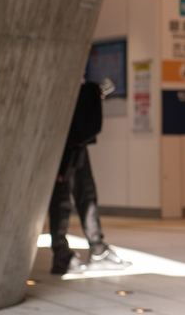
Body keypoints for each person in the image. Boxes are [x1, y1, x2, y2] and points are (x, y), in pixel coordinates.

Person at [49, 80, 131, 274]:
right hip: (62, 135)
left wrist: (92, 93)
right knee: (61, 198)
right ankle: (61, 254)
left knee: (86, 192)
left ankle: (97, 248)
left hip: (77, 138)